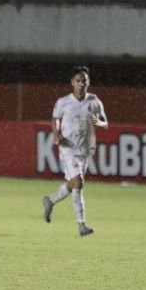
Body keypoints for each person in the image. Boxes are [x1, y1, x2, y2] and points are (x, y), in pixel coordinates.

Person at [43, 65, 108, 236]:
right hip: (67, 148)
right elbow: (55, 119)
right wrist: (56, 134)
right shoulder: (63, 102)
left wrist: (98, 122)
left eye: (84, 81)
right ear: (72, 82)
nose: (81, 84)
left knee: (74, 186)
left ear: (88, 83)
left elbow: (105, 123)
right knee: (78, 183)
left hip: (84, 150)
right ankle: (81, 225)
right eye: (78, 81)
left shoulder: (94, 101)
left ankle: (50, 201)